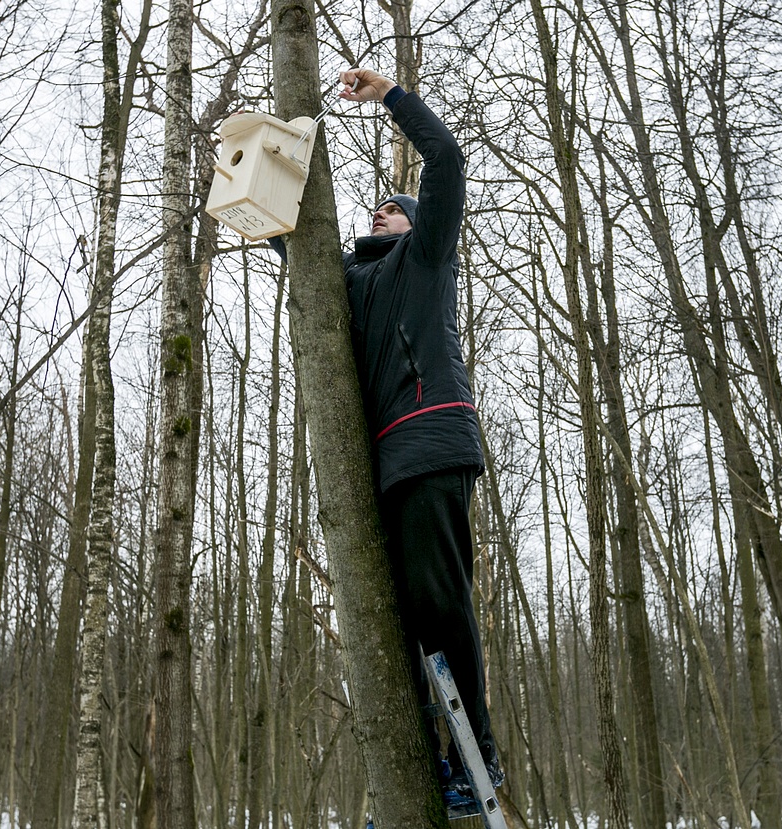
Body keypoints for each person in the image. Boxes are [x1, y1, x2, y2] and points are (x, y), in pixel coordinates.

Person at [270, 67, 502, 806]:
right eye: (371, 211)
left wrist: (393, 97)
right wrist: (267, 183)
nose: (378, 214)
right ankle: (427, 772)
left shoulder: (427, 257)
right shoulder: (350, 284)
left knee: (440, 603)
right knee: (396, 623)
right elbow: (297, 255)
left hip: (432, 442)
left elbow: (448, 162)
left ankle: (478, 761)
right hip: (386, 469)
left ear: (416, 220)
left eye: (390, 208)